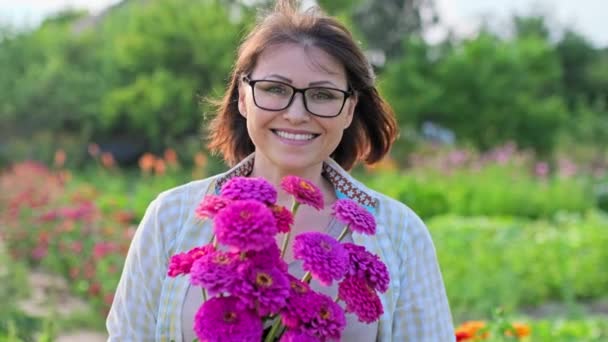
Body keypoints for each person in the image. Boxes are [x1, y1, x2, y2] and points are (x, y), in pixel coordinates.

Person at [106, 0, 454, 340]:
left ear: (349, 109)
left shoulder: (400, 233)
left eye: (322, 95)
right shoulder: (172, 217)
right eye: (274, 89)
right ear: (243, 97)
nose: (297, 114)